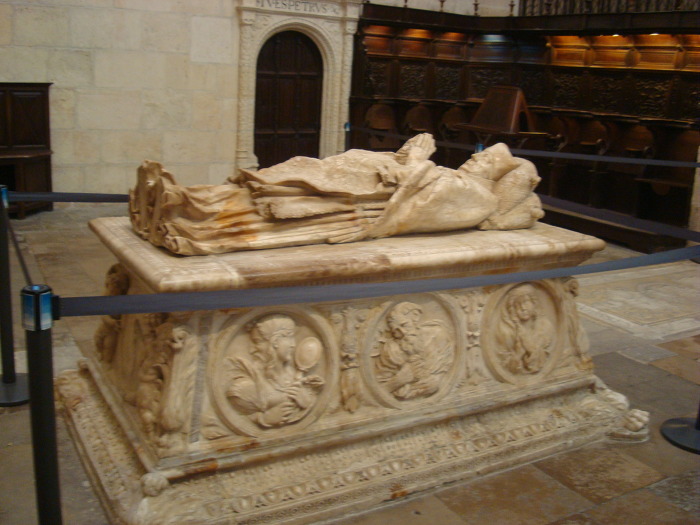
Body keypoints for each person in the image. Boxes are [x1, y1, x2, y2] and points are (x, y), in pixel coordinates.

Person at [130, 134, 544, 255]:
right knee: (288, 175)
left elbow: (421, 202)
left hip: (365, 204)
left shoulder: (480, 199)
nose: (474, 160)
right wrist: (409, 156)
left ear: (497, 177)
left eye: (483, 161)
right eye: (477, 156)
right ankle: (185, 199)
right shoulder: (464, 182)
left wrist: (416, 159)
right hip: (363, 183)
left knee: (283, 199)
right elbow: (421, 179)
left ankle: (186, 211)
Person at [225, 315, 324, 428]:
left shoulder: (292, 373)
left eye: (257, 342)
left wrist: (307, 400)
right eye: (289, 337)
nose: (293, 345)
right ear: (275, 342)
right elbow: (238, 406)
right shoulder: (247, 381)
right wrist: (264, 419)